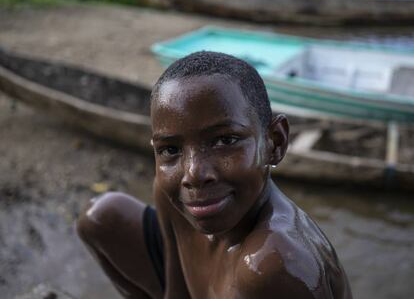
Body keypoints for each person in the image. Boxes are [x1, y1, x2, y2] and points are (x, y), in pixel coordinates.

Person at [77, 51, 352, 299]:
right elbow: (177, 291)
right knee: (100, 217)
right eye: (170, 149)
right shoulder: (178, 196)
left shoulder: (271, 265)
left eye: (225, 141)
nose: (194, 174)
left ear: (275, 143)